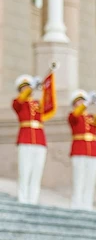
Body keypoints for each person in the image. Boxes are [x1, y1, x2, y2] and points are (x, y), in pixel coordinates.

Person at [68, 89, 96, 210]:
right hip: (79, 150)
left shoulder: (92, 118)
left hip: (93, 151)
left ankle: (87, 204)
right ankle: (76, 204)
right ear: (74, 104)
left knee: (90, 179)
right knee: (79, 178)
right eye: (79, 101)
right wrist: (87, 103)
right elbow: (76, 115)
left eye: (83, 101)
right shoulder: (73, 116)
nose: (81, 103)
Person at [12, 75, 50, 204]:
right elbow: (19, 102)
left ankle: (33, 199)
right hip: (25, 138)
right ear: (21, 89)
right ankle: (23, 199)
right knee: (24, 170)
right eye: (25, 87)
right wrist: (31, 86)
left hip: (39, 140)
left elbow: (48, 105)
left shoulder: (37, 104)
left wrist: (46, 86)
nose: (28, 89)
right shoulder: (18, 102)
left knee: (37, 171)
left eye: (29, 87)